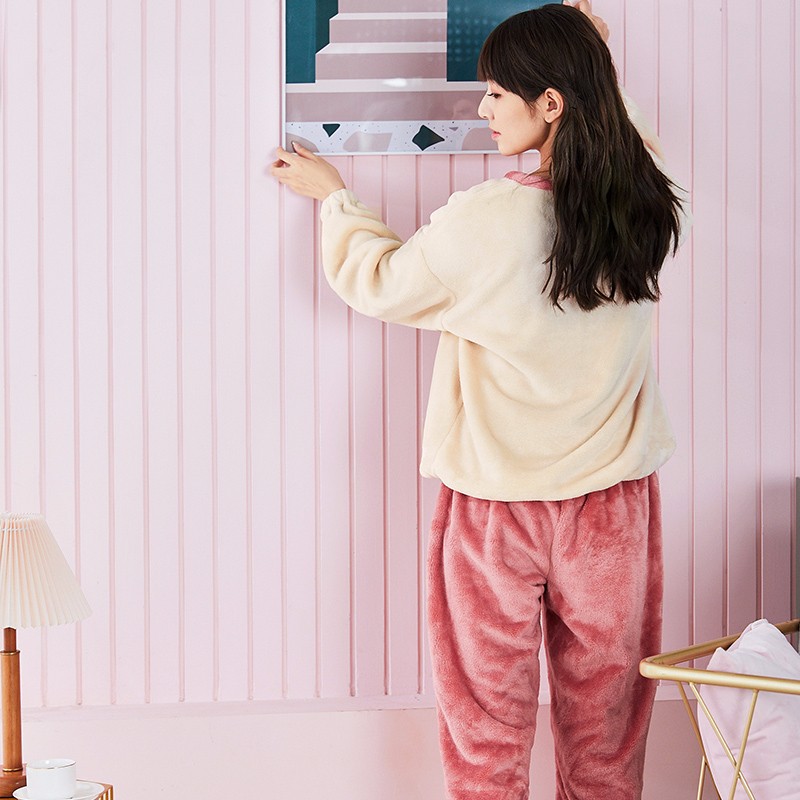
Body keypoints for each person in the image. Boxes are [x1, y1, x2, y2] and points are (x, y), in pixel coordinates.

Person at [271, 2, 689, 797]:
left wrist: (336, 198)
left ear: (550, 103)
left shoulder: (488, 220)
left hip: (498, 509)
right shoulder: (650, 208)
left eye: (497, 93)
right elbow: (635, 148)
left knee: (486, 729)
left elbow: (380, 281)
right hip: (613, 509)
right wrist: (596, 59)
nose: (482, 107)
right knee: (606, 733)